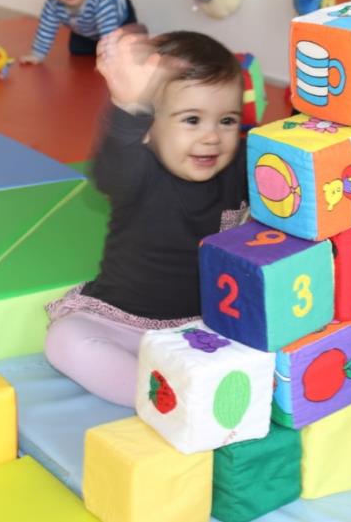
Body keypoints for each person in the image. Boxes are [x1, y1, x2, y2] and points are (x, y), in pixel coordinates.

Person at [44, 29, 250, 406]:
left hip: (204, 328)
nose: (212, 137)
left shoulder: (241, 164)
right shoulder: (139, 170)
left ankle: (187, 383)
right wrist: (128, 106)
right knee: (65, 341)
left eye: (227, 121)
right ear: (146, 130)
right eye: (191, 120)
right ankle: (164, 401)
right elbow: (110, 171)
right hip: (121, 322)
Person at [20, 0, 138, 64]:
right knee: (77, 49)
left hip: (119, 21)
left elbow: (109, 34)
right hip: (86, 27)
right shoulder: (53, 3)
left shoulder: (101, 1)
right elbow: (46, 27)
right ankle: (99, 46)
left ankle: (135, 36)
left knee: (126, 49)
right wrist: (37, 54)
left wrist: (108, 59)